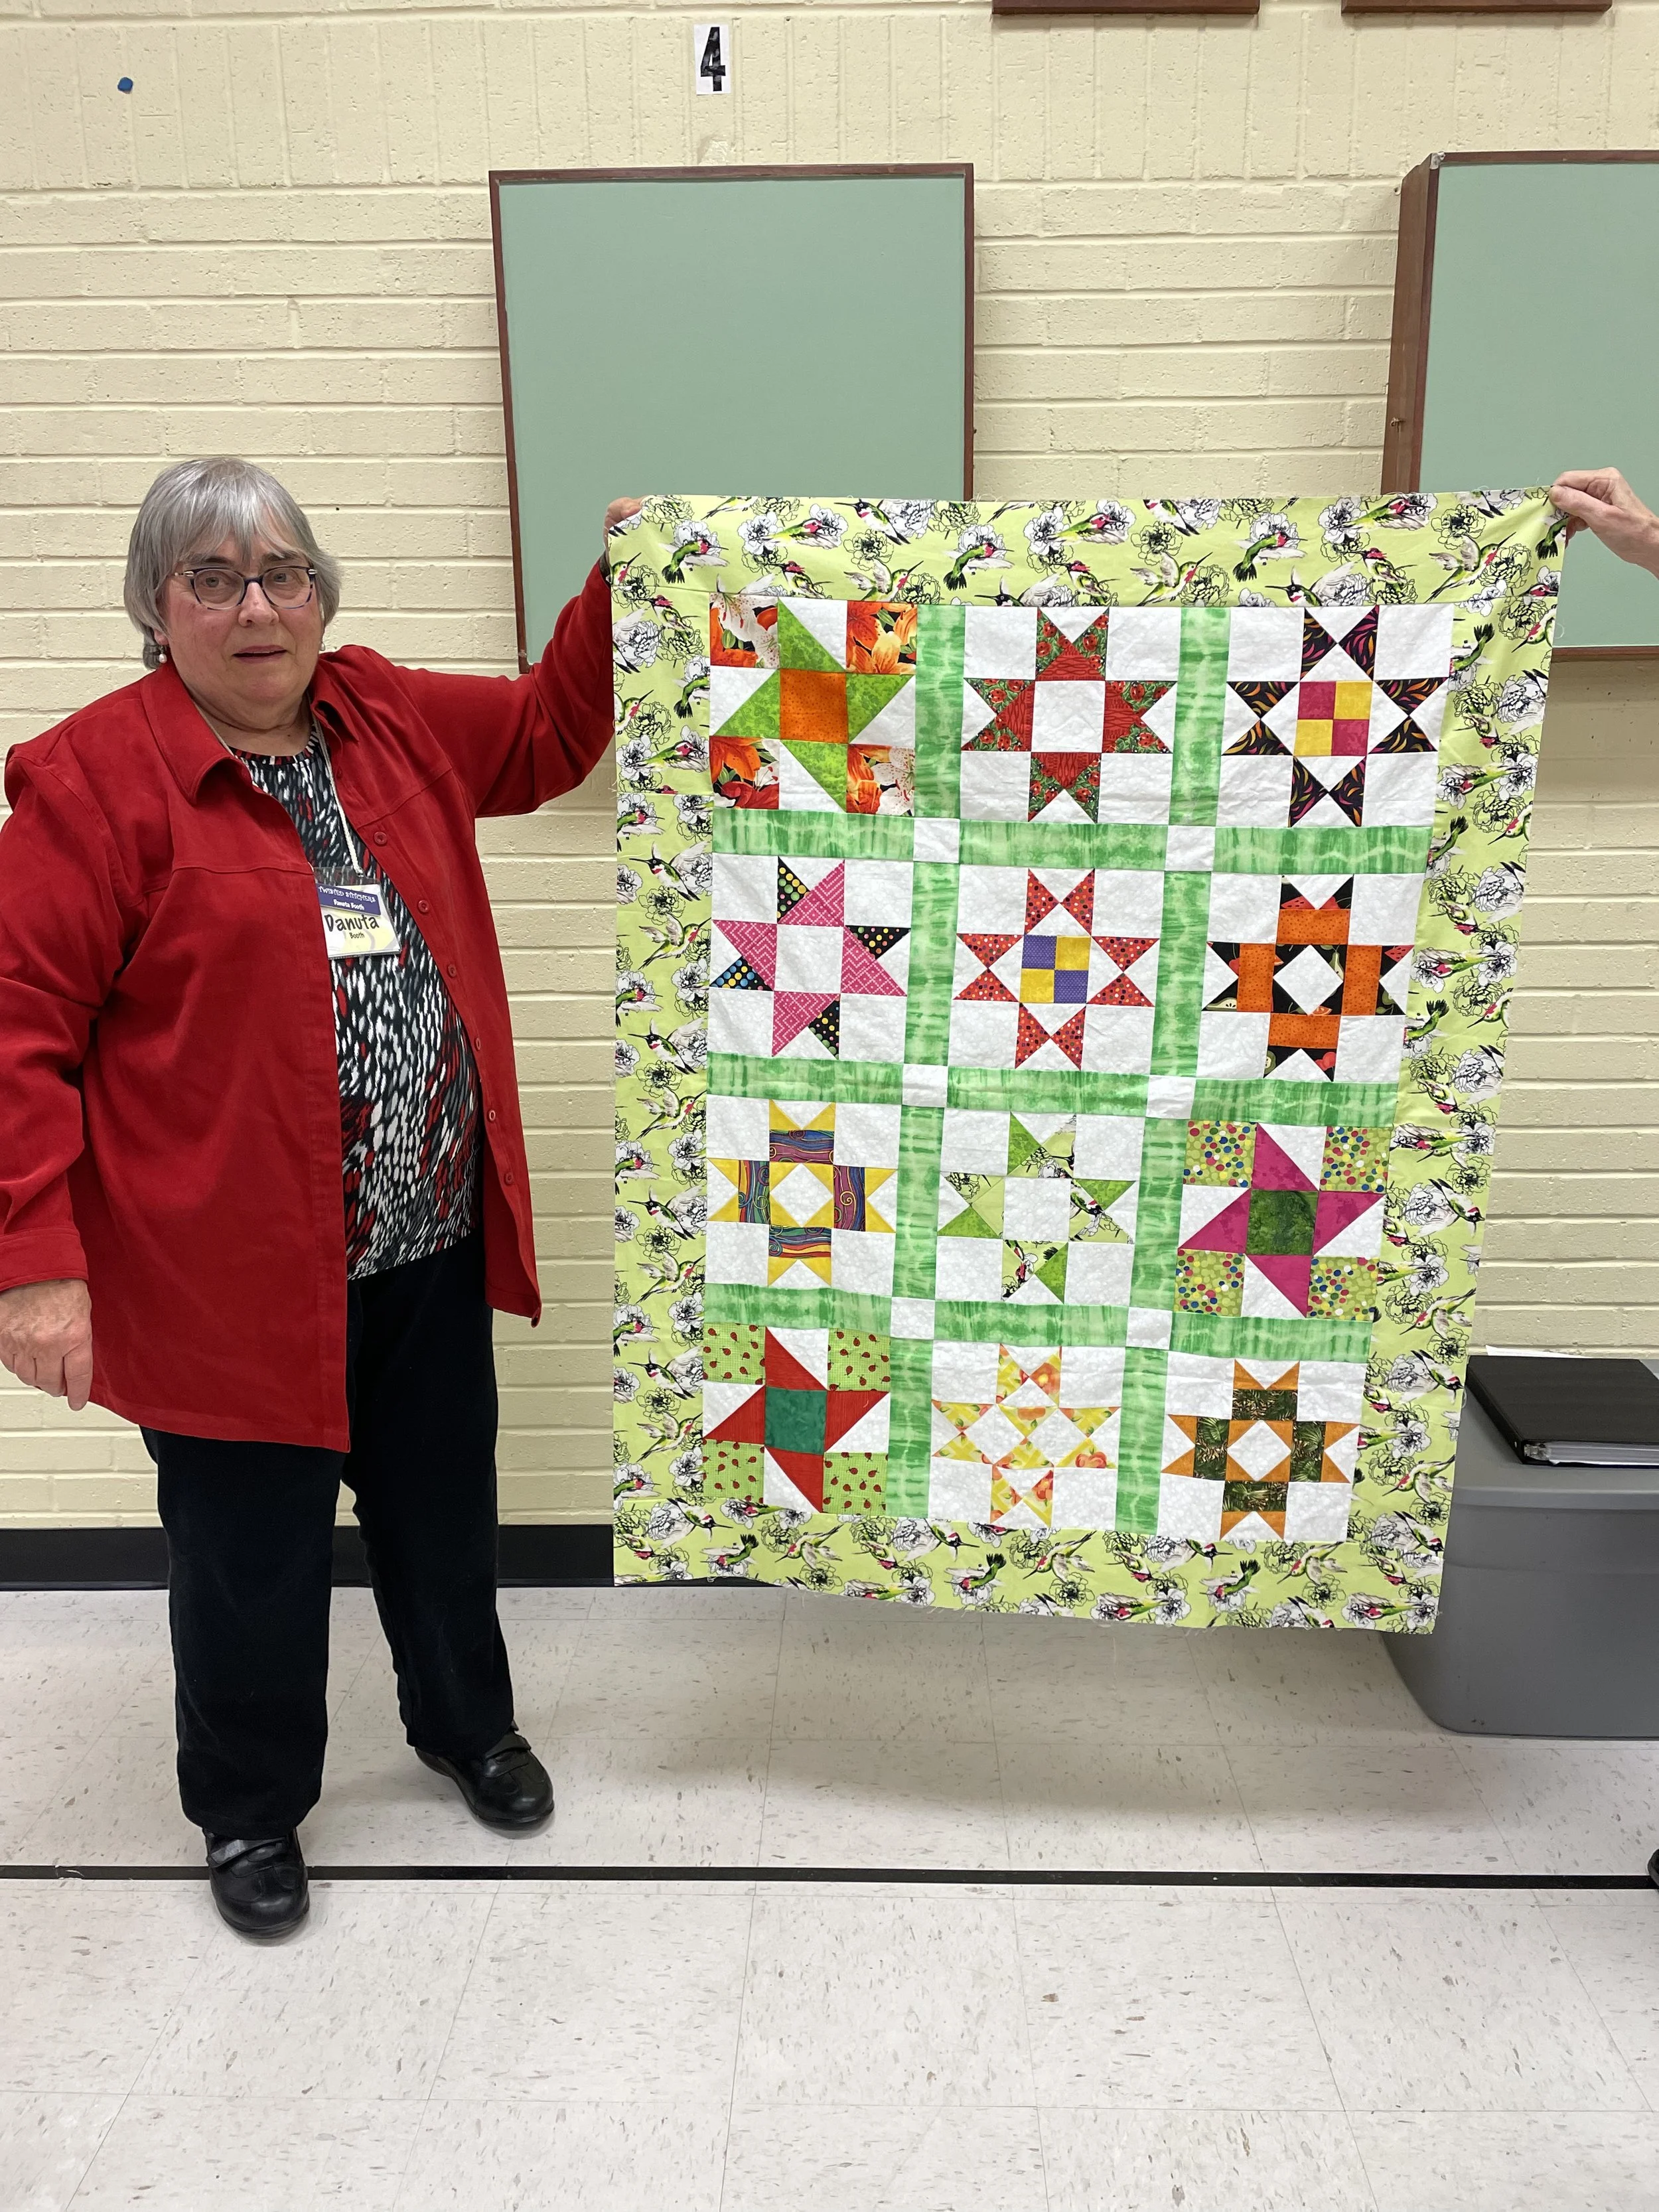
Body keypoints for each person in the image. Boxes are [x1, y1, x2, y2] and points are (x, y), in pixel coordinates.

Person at [0, 457, 638, 1938]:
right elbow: (19, 1025)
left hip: (418, 1240)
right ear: (158, 610)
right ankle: (247, 1810)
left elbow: (547, 733)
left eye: (283, 572)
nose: (257, 607)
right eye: (212, 579)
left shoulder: (383, 713)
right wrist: (35, 1263)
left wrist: (619, 586)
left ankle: (465, 1729)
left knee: (439, 1513)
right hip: (222, 1276)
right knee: (249, 1561)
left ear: (321, 592)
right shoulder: (97, 780)